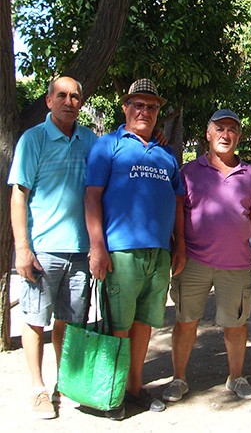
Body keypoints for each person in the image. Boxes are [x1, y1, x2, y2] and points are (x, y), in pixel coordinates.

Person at [85, 78, 186, 420]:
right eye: (138, 105)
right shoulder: (107, 146)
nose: (145, 111)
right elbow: (92, 196)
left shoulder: (165, 152)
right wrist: (97, 246)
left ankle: (135, 387)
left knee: (144, 323)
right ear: (125, 107)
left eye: (152, 106)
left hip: (158, 253)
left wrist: (180, 244)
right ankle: (112, 394)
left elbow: (177, 201)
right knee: (119, 326)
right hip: (120, 253)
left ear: (159, 112)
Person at [162, 109, 251, 404]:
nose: (226, 135)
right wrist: (179, 249)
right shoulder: (188, 172)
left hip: (236, 264)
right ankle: (179, 378)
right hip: (193, 263)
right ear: (208, 134)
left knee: (236, 323)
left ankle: (235, 377)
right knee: (186, 320)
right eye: (219, 129)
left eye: (232, 130)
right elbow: (177, 217)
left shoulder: (250, 175)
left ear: (238, 136)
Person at [8, 76, 97, 419]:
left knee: (70, 321)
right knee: (34, 320)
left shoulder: (89, 139)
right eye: (61, 95)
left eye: (75, 96)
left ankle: (66, 381)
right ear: (48, 101)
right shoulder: (33, 140)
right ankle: (37, 388)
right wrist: (22, 248)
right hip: (42, 249)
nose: (69, 101)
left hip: (79, 250)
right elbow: (19, 195)